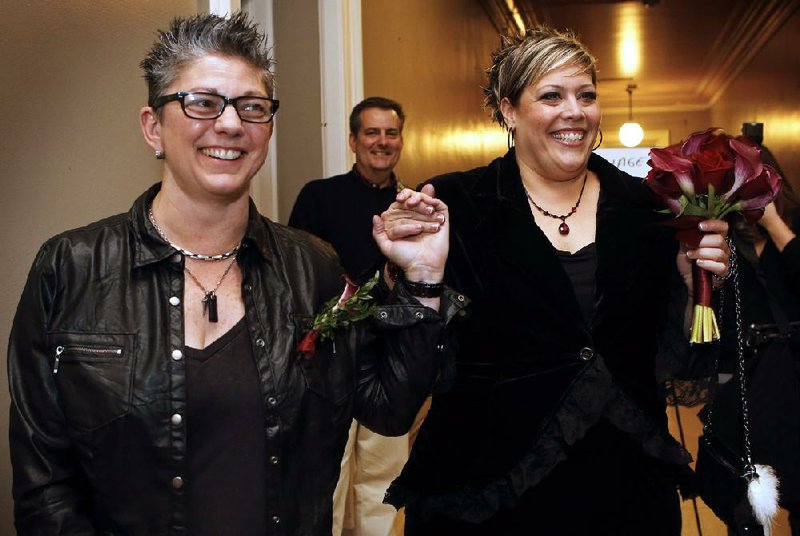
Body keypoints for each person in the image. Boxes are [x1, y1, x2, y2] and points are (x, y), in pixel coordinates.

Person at [7, 13, 457, 536]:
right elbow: (44, 484)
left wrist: (423, 282)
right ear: (154, 126)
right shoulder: (71, 268)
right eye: (201, 102)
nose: (229, 124)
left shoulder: (312, 267)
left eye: (252, 107)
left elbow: (388, 410)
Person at [380, 26, 731, 535]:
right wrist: (408, 273)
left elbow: (679, 358)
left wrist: (696, 291)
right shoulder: (456, 206)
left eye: (586, 95)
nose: (575, 111)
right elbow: (417, 364)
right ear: (508, 110)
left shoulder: (649, 210)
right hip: (487, 495)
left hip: (625, 491)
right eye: (551, 95)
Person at [289, 97, 415, 536]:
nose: (382, 142)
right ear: (353, 140)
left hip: (388, 354)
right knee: (331, 469)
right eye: (372, 132)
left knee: (384, 472)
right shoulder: (318, 197)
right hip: (329, 354)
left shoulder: (413, 205)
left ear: (401, 139)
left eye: (391, 132)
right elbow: (298, 278)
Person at [705, 137, 800, 535]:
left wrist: (774, 224)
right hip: (743, 392)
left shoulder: (793, 226)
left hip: (794, 388)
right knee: (744, 513)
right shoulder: (719, 241)